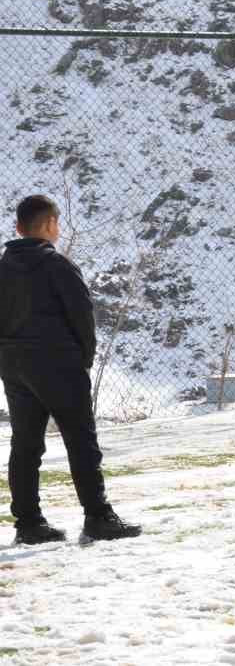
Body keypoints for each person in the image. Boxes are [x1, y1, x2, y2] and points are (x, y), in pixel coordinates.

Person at [0, 195, 141, 543]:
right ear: (50, 224)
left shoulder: (3, 268)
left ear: (18, 228)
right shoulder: (58, 265)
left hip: (14, 365)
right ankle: (98, 517)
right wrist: (83, 359)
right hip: (58, 363)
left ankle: (29, 524)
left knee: (26, 444)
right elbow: (82, 317)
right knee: (80, 440)